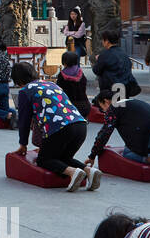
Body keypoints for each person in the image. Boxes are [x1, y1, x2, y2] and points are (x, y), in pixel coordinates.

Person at [12, 62, 96, 191]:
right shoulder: (51, 84)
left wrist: (23, 144)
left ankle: (73, 172)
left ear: (17, 80)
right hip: (80, 125)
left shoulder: (25, 91)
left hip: (60, 128)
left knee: (44, 160)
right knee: (63, 158)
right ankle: (89, 171)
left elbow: (24, 120)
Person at [84, 88, 150, 182]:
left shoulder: (114, 107)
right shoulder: (131, 101)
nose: (104, 112)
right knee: (147, 151)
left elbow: (105, 133)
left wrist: (92, 155)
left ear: (106, 101)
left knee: (129, 152)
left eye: (102, 109)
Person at [92, 28, 138, 100]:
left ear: (107, 41)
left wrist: (98, 60)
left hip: (110, 88)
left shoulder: (105, 55)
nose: (102, 42)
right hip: (125, 87)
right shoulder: (124, 54)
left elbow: (96, 70)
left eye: (103, 40)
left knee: (111, 109)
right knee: (122, 108)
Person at [55, 50, 92, 117]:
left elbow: (59, 92)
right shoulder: (80, 73)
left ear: (64, 62)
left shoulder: (62, 75)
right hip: (84, 106)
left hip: (68, 107)